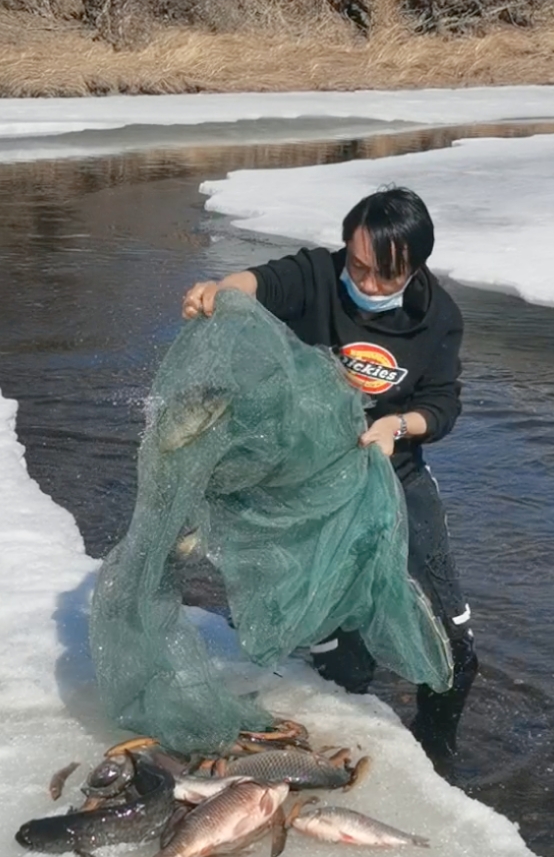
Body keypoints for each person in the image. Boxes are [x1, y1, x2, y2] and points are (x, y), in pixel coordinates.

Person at [181, 185, 476, 761]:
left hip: (395, 476)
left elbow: (443, 404)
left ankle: (436, 756)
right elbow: (257, 283)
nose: (367, 285)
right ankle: (344, 743)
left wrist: (397, 426)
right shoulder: (318, 275)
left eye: (385, 277)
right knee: (342, 657)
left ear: (414, 267)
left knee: (454, 647)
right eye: (360, 266)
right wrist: (219, 292)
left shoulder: (438, 316)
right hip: (311, 479)